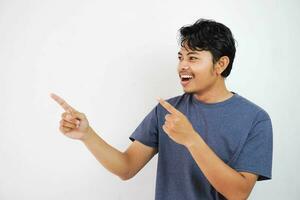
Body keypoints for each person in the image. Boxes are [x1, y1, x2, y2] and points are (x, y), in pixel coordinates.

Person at [50, 18, 273, 200]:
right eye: (181, 57)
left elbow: (238, 193)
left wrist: (191, 139)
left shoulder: (255, 119)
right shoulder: (167, 111)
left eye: (193, 58)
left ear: (220, 64)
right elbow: (126, 168)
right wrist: (87, 135)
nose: (182, 66)